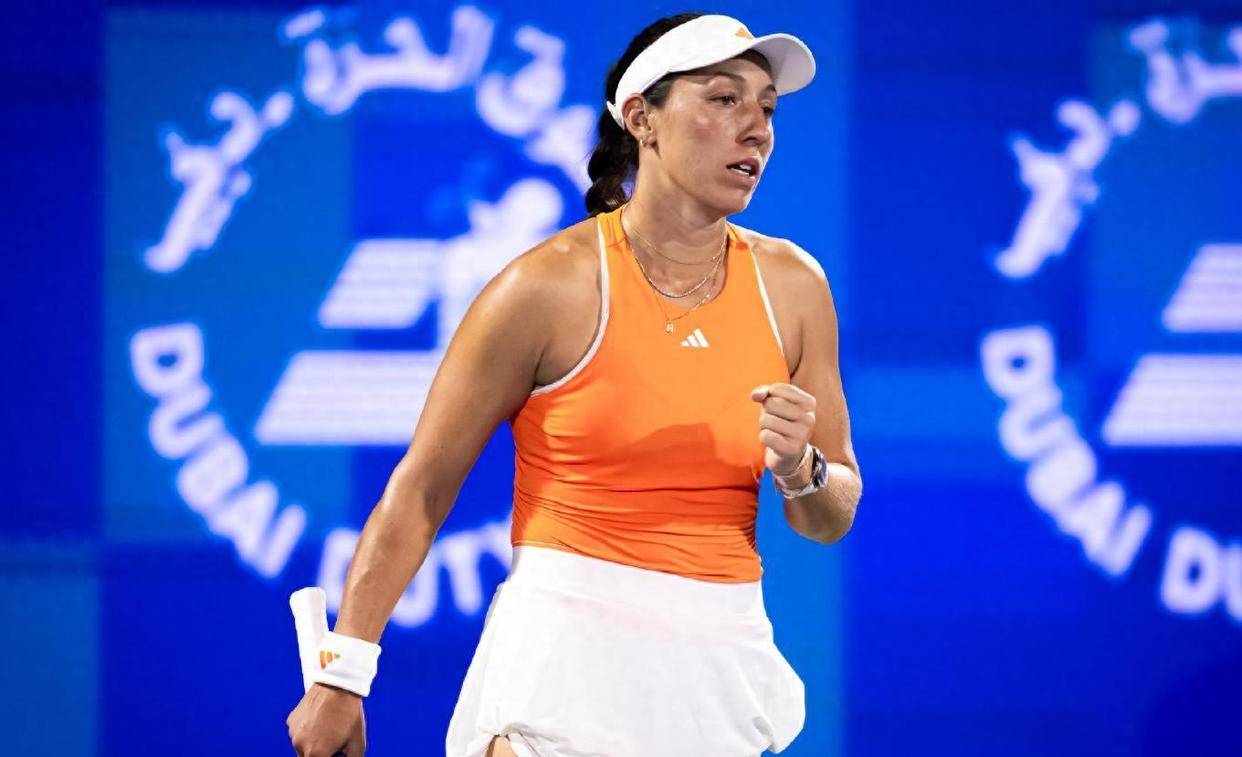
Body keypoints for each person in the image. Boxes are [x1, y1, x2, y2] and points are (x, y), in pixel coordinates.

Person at [286, 12, 862, 757]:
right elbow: (422, 489)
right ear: (642, 119)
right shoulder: (544, 287)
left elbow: (830, 515)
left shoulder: (794, 287)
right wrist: (342, 673)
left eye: (767, 108)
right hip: (558, 661)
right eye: (724, 99)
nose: (756, 129)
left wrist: (801, 469)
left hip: (720, 666)